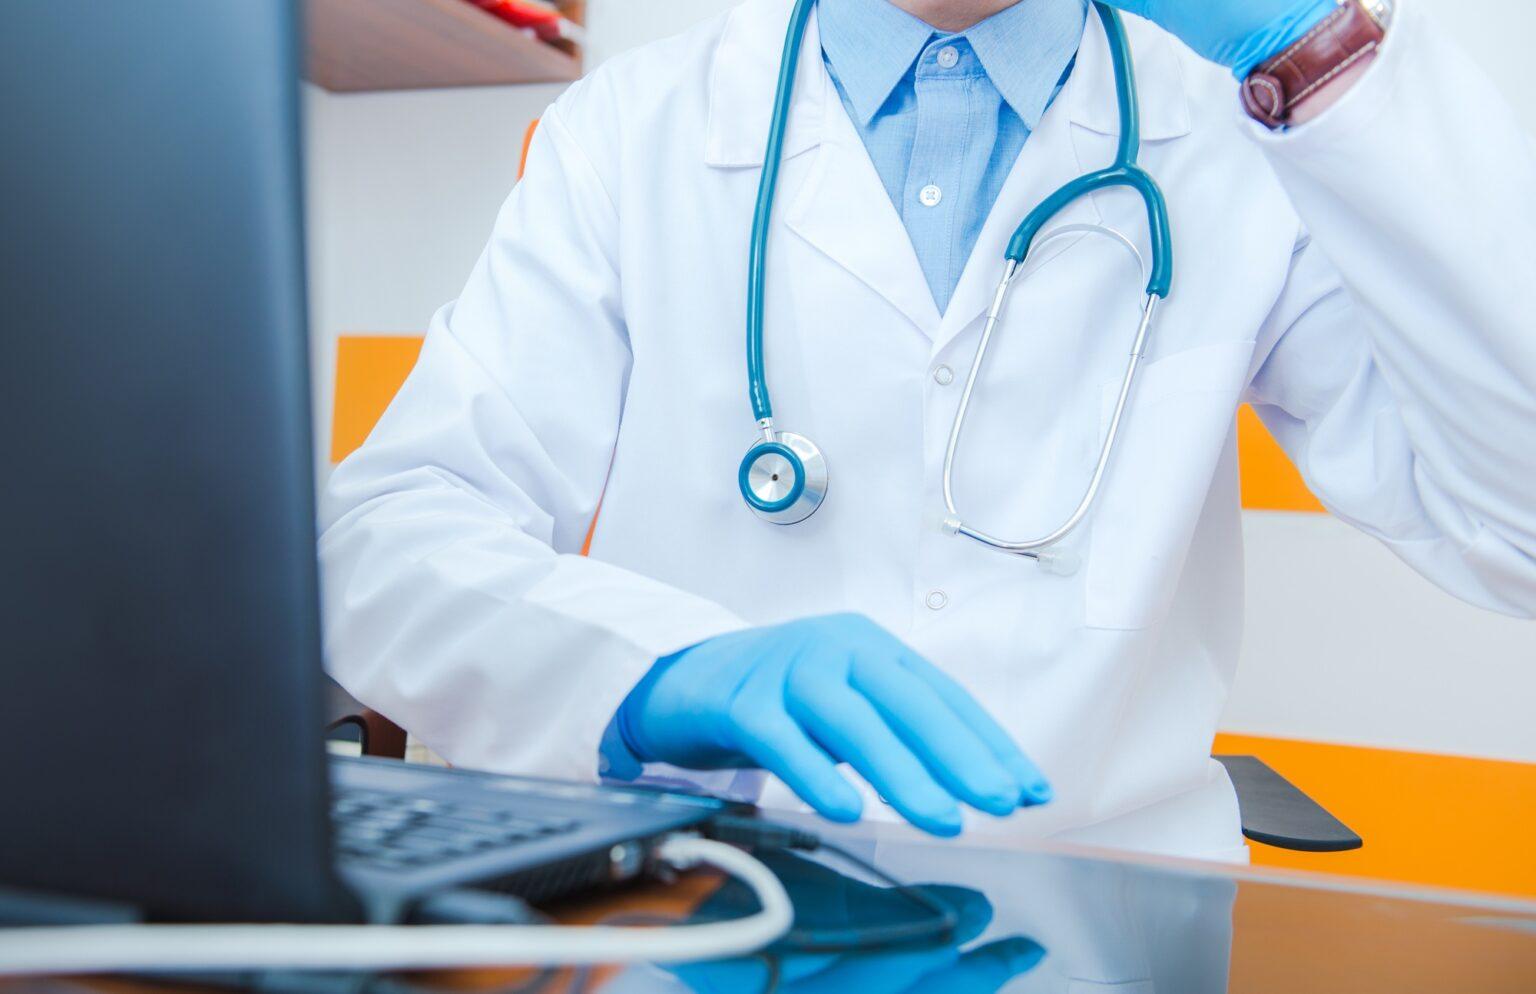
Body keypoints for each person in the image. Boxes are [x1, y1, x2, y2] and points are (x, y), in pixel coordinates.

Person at [320, 0, 1536, 859]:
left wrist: (1321, 49)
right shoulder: (632, 128)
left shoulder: (1239, 124)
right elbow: (387, 534)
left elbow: (1517, 527)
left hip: (1115, 910)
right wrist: (650, 668)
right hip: (703, 883)